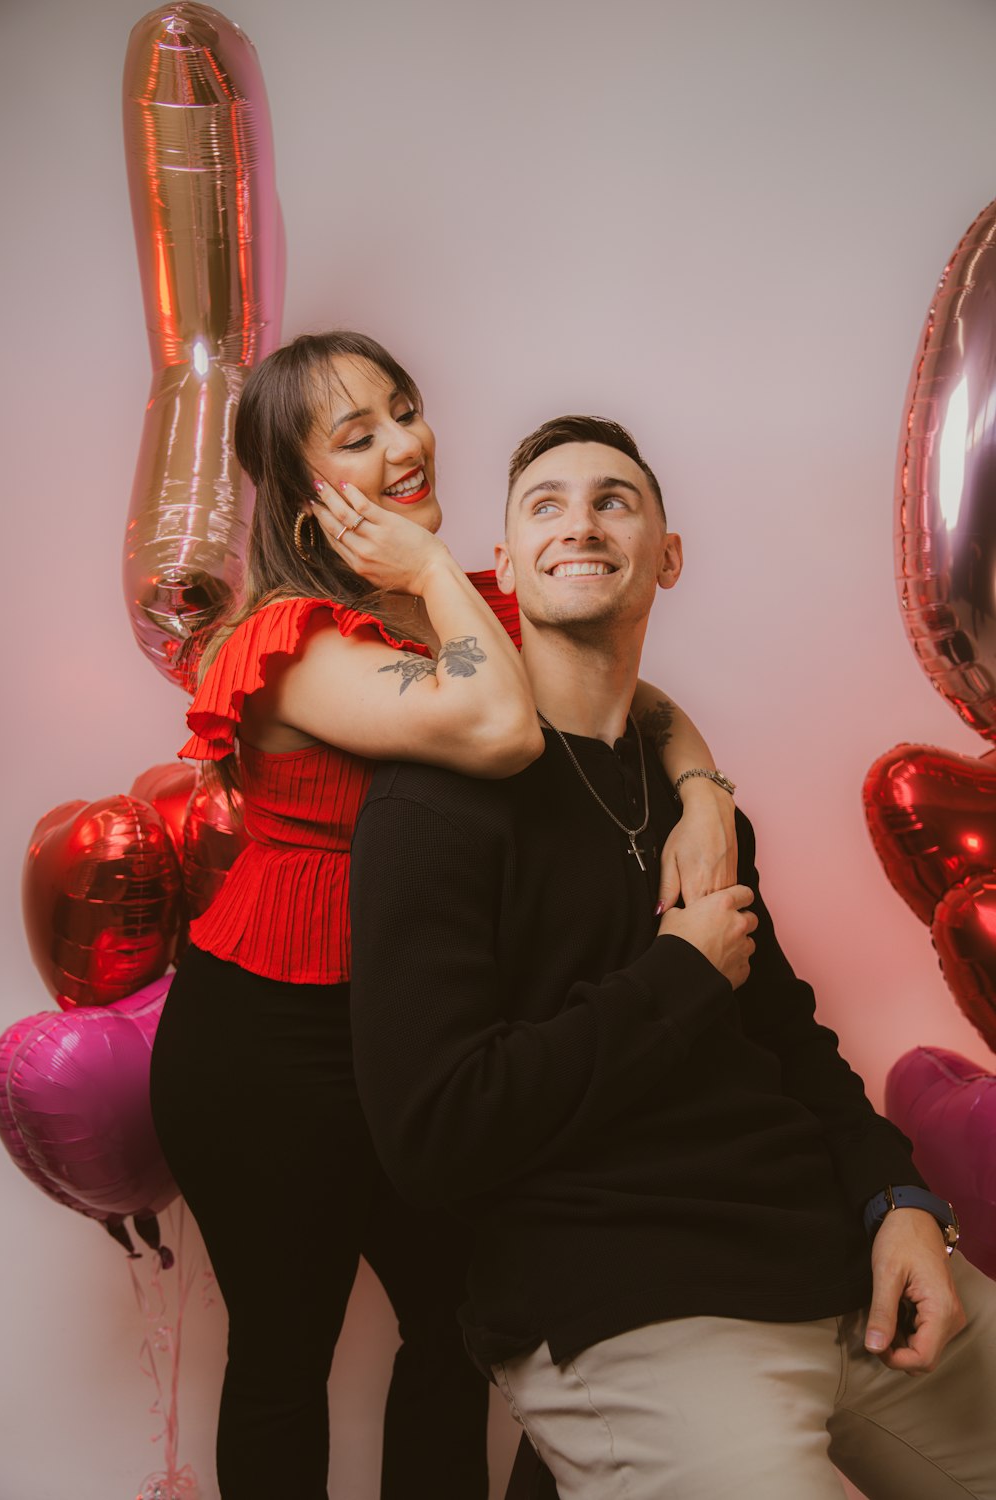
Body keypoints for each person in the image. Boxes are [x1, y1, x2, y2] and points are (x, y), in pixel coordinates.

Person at [348, 413, 996, 1500]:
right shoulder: (431, 803)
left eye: (615, 500)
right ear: (501, 564)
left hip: (843, 1272)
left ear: (668, 554)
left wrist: (901, 1203)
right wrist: (678, 976)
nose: (581, 525)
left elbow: (790, 1043)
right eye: (544, 505)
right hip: (630, 1305)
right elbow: (434, 1132)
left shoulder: (696, 805)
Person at [149, 334, 738, 1500]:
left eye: (404, 411)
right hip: (270, 1044)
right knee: (282, 1356)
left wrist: (702, 790)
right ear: (300, 486)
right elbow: (504, 732)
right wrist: (428, 573)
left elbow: (639, 694)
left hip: (426, 1034)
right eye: (356, 437)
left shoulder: (458, 611)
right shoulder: (285, 642)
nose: (405, 445)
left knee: (464, 1330)